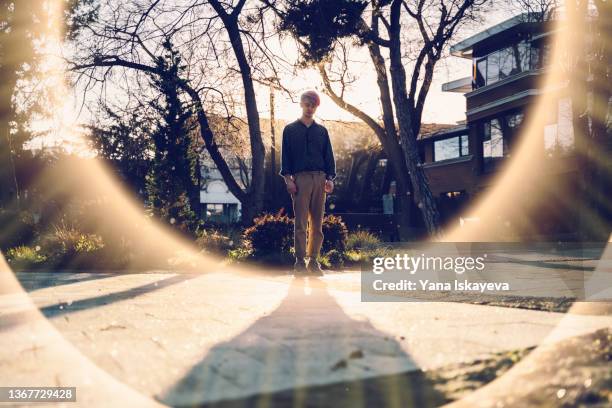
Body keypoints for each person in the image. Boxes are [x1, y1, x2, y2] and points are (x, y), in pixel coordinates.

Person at [279, 90, 336, 275]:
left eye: (313, 105)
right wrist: (288, 180)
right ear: (301, 104)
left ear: (316, 107)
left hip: (320, 178)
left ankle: (314, 261)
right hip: (300, 179)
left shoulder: (322, 131)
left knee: (317, 224)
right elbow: (286, 157)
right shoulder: (290, 130)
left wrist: (330, 179)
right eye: (307, 104)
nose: (310, 108)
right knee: (301, 223)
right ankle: (299, 262)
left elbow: (329, 156)